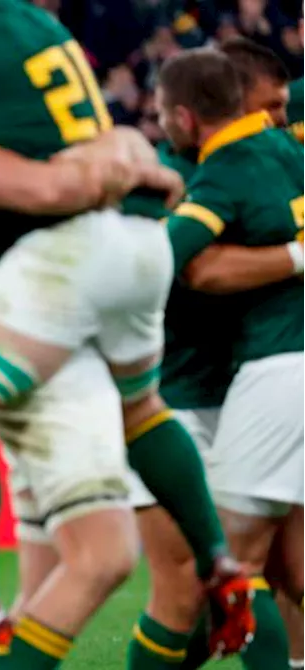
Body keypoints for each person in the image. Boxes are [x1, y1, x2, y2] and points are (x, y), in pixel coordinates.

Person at [0, 1, 253, 666]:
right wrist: (127, 158)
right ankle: (220, 560)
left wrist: (100, 169)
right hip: (118, 265)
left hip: (59, 292)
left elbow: (48, 190)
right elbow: (86, 162)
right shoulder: (25, 28)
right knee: (131, 429)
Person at [149, 46, 305, 670]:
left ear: (185, 117)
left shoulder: (226, 168)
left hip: (275, 370)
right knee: (286, 563)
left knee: (231, 563)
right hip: (273, 372)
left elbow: (174, 256)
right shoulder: (292, 152)